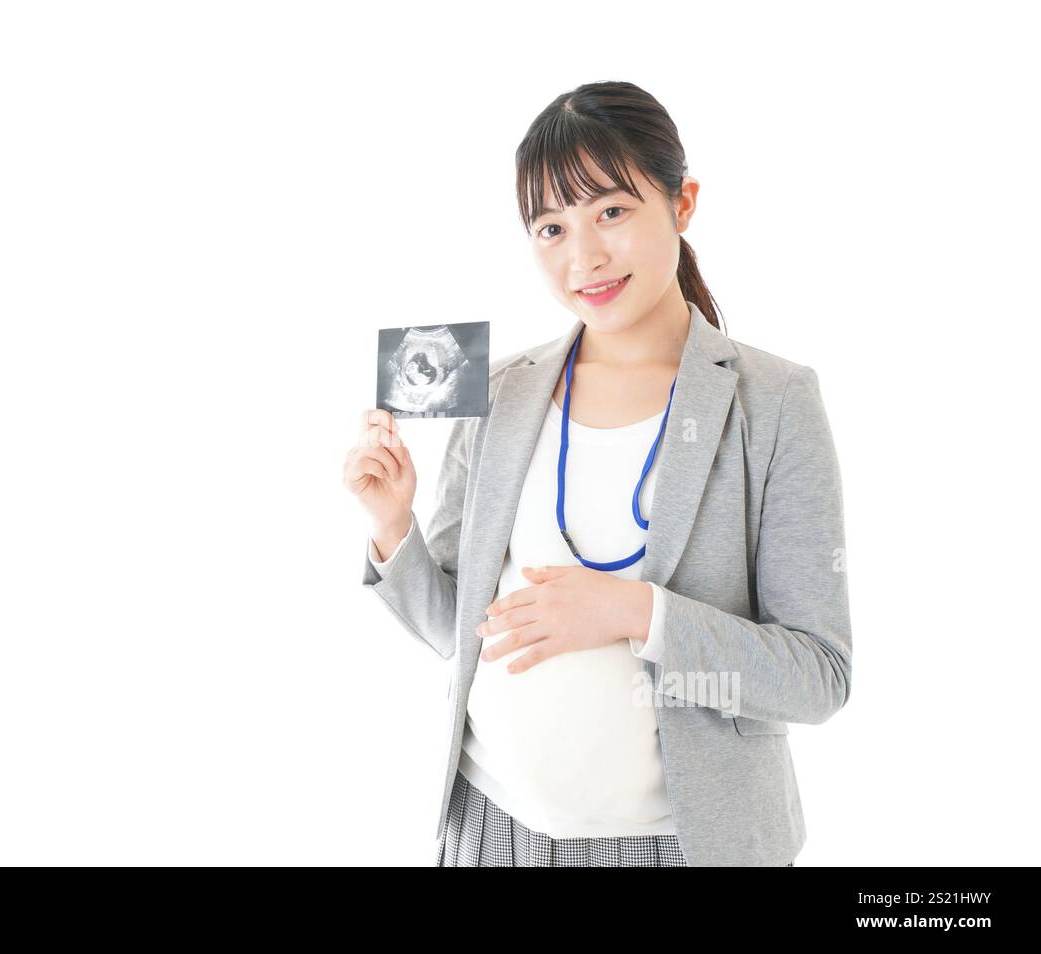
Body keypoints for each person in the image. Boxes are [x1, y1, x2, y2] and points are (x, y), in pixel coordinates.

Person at [342, 80, 851, 867]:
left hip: (685, 848)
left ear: (682, 204)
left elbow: (817, 676)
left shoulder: (774, 401)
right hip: (490, 832)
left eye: (612, 211)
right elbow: (458, 630)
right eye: (551, 227)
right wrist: (393, 525)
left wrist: (636, 612)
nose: (583, 258)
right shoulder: (503, 393)